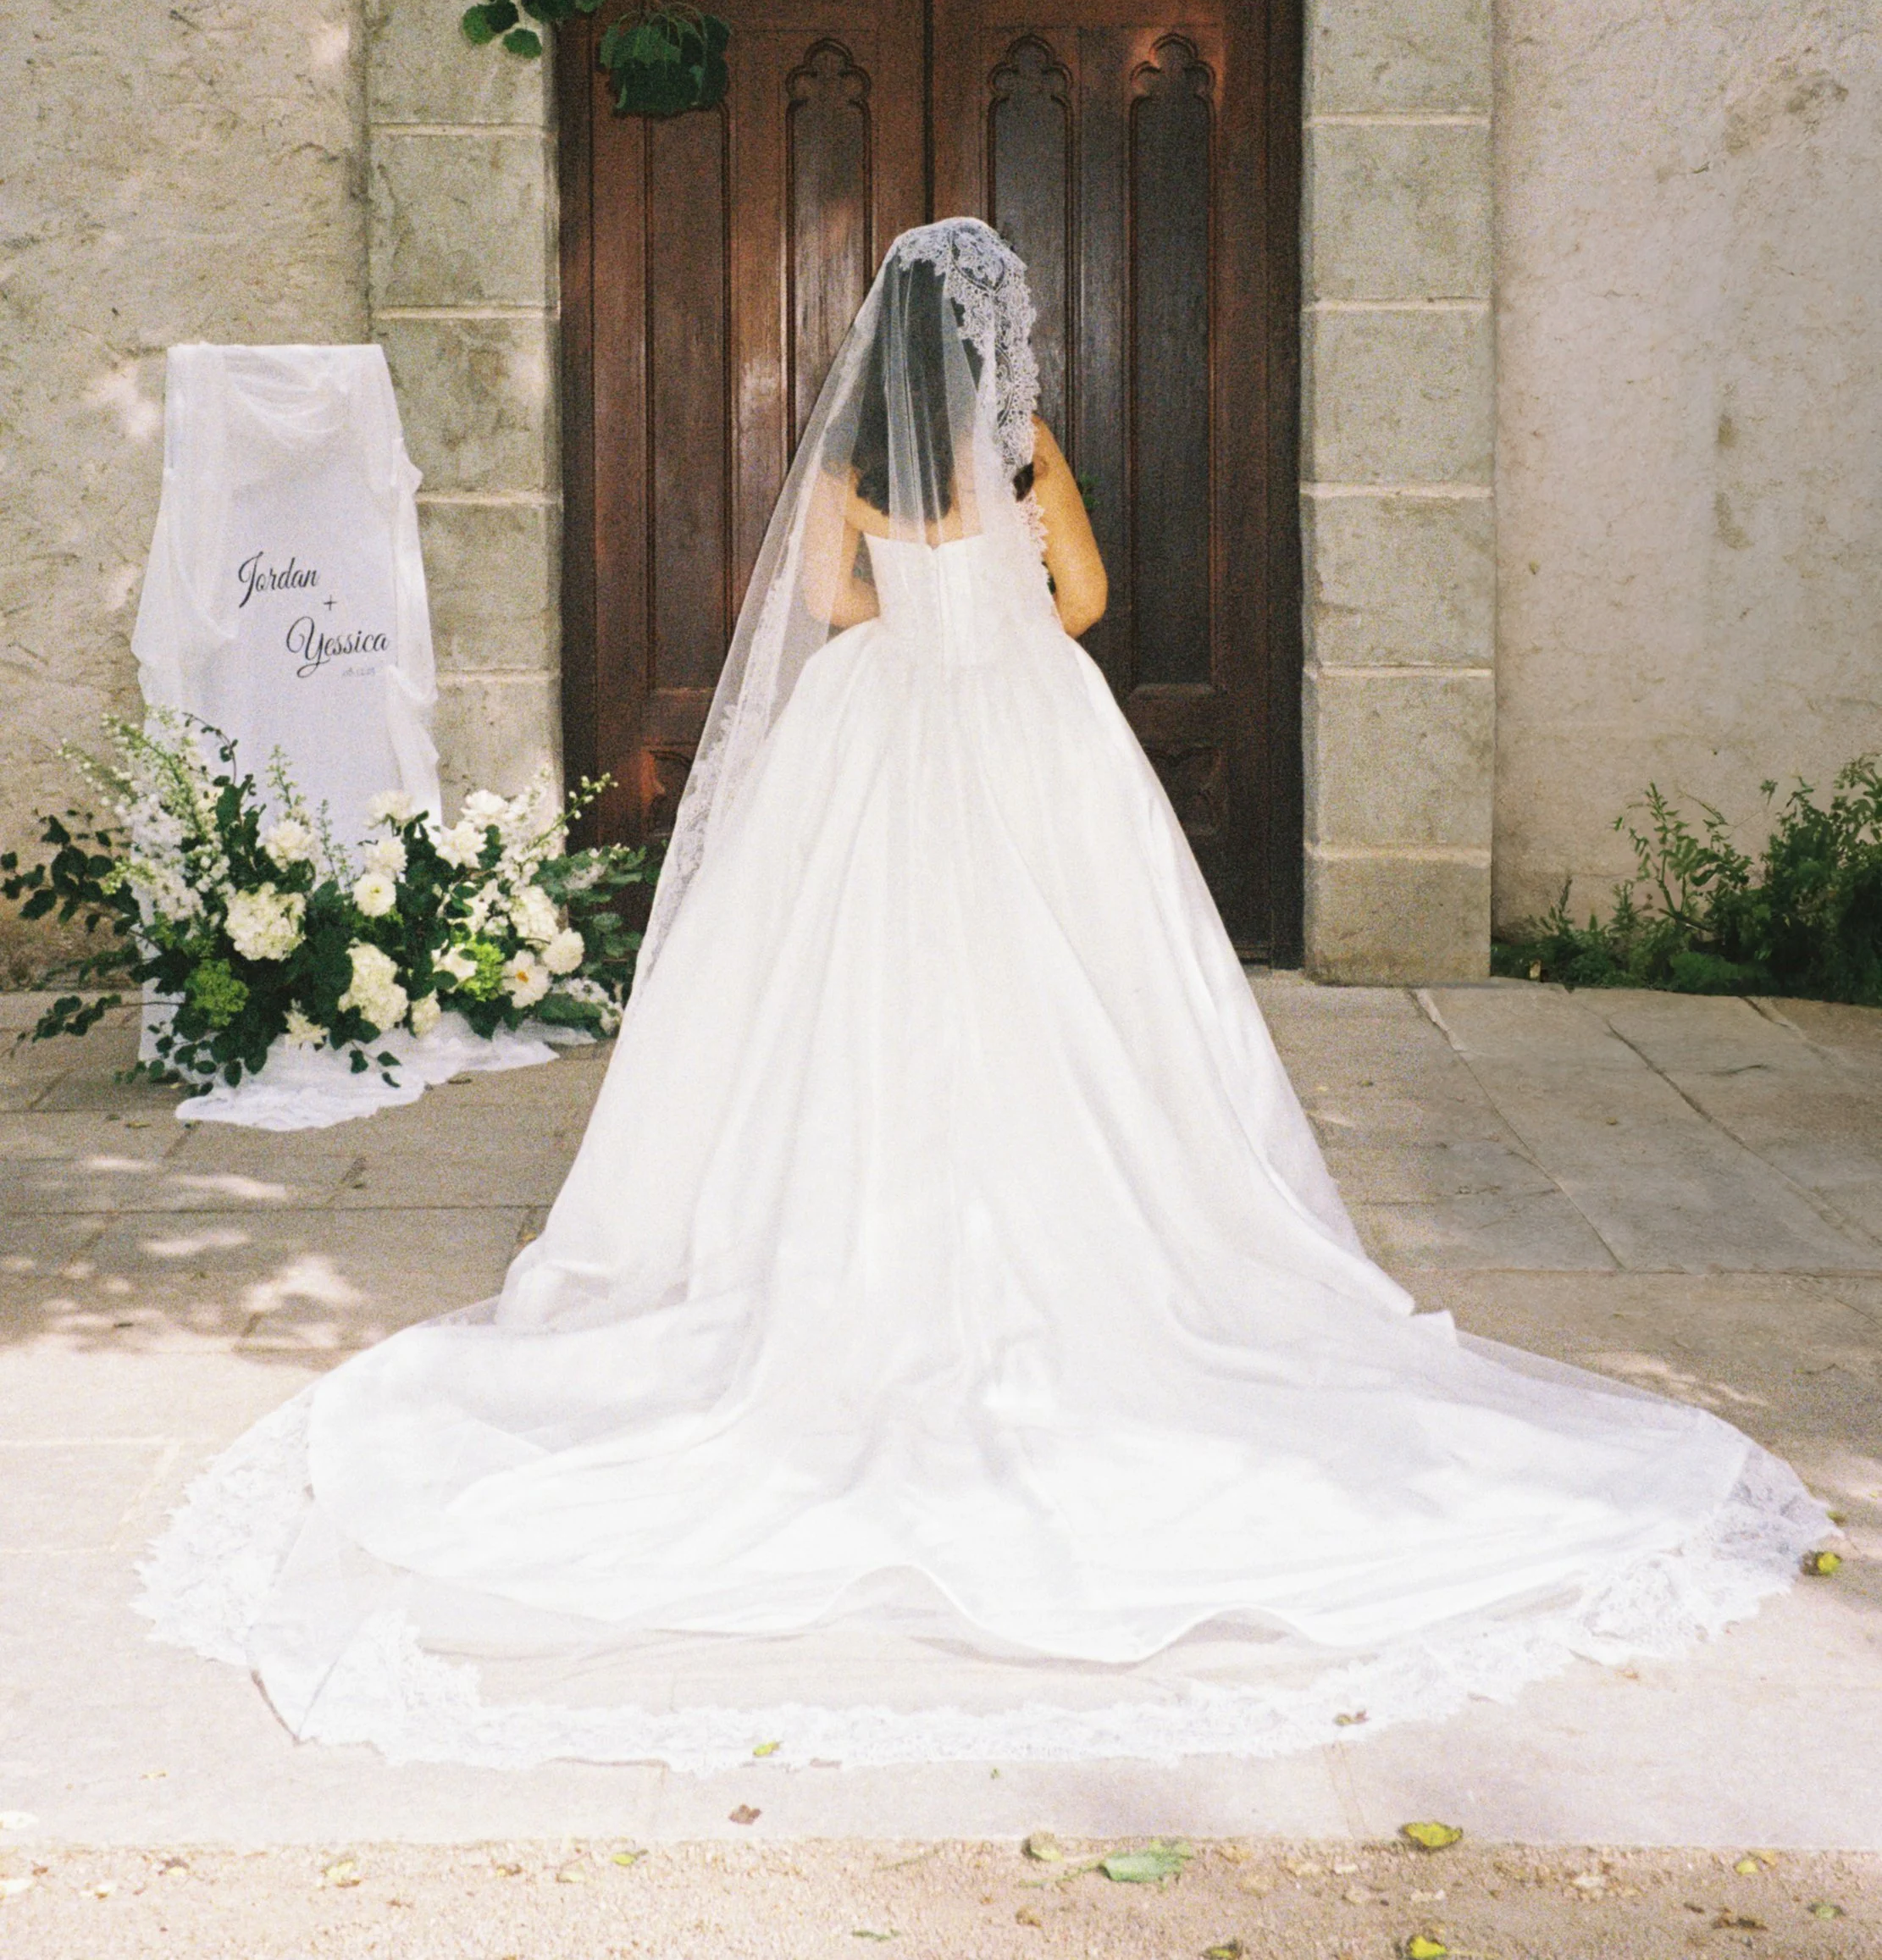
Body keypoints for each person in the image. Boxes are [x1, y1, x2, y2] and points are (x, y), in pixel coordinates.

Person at [144, 219, 1827, 1769]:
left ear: (874, 361)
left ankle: (822, 1237)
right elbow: (1082, 603)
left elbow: (823, 606)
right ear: (995, 354)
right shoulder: (1026, 451)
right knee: (1083, 1001)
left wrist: (907, 596)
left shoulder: (858, 464)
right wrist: (997, 595)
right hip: (1031, 731)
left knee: (832, 1001)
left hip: (875, 732)